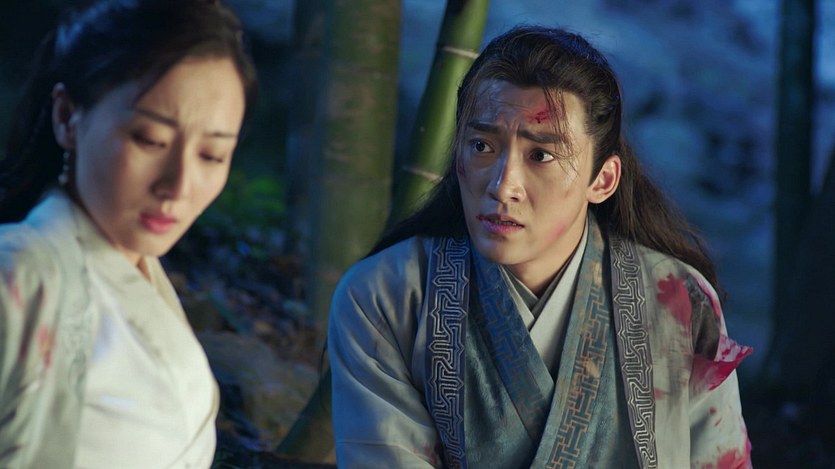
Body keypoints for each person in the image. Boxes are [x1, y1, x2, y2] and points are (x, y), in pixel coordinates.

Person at [328, 25, 752, 468]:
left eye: (541, 155)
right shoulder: (387, 297)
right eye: (481, 146)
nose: (503, 186)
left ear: (602, 179)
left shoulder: (678, 301)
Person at [0, 0, 257, 467]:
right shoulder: (20, 276)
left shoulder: (140, 268)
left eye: (212, 155)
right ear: (67, 117)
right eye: (150, 140)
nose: (178, 185)